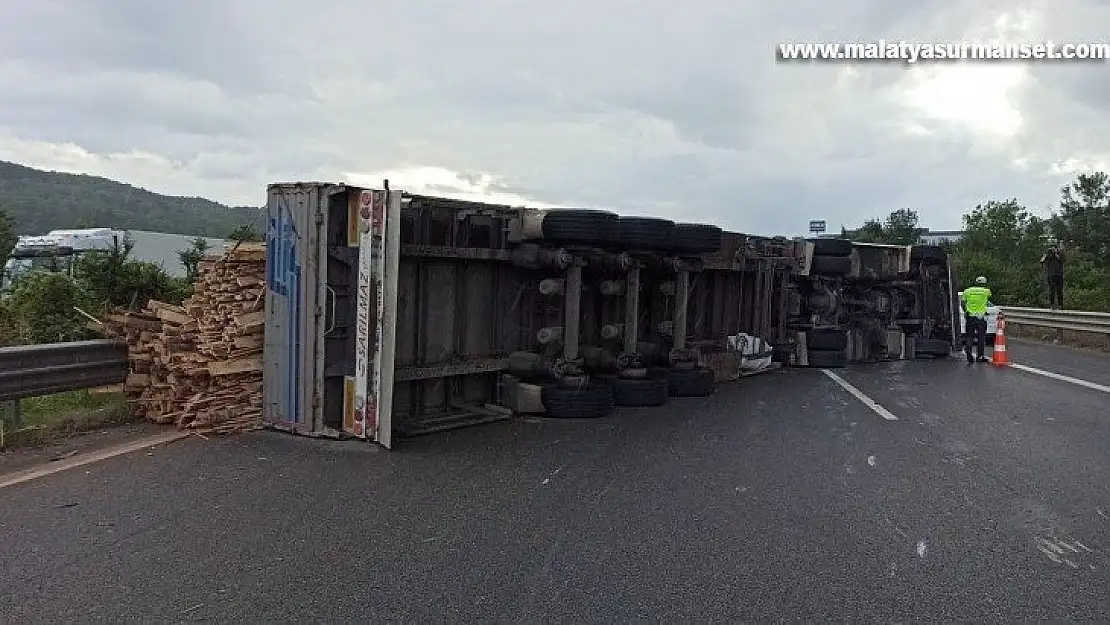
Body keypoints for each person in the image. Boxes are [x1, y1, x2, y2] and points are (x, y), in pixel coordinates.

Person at [962, 276, 992, 363]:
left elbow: (963, 302)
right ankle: (980, 357)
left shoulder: (967, 291)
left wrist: (966, 311)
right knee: (981, 337)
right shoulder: (986, 291)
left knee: (969, 337)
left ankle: (969, 354)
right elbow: (987, 301)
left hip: (970, 317)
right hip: (980, 317)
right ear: (984, 283)